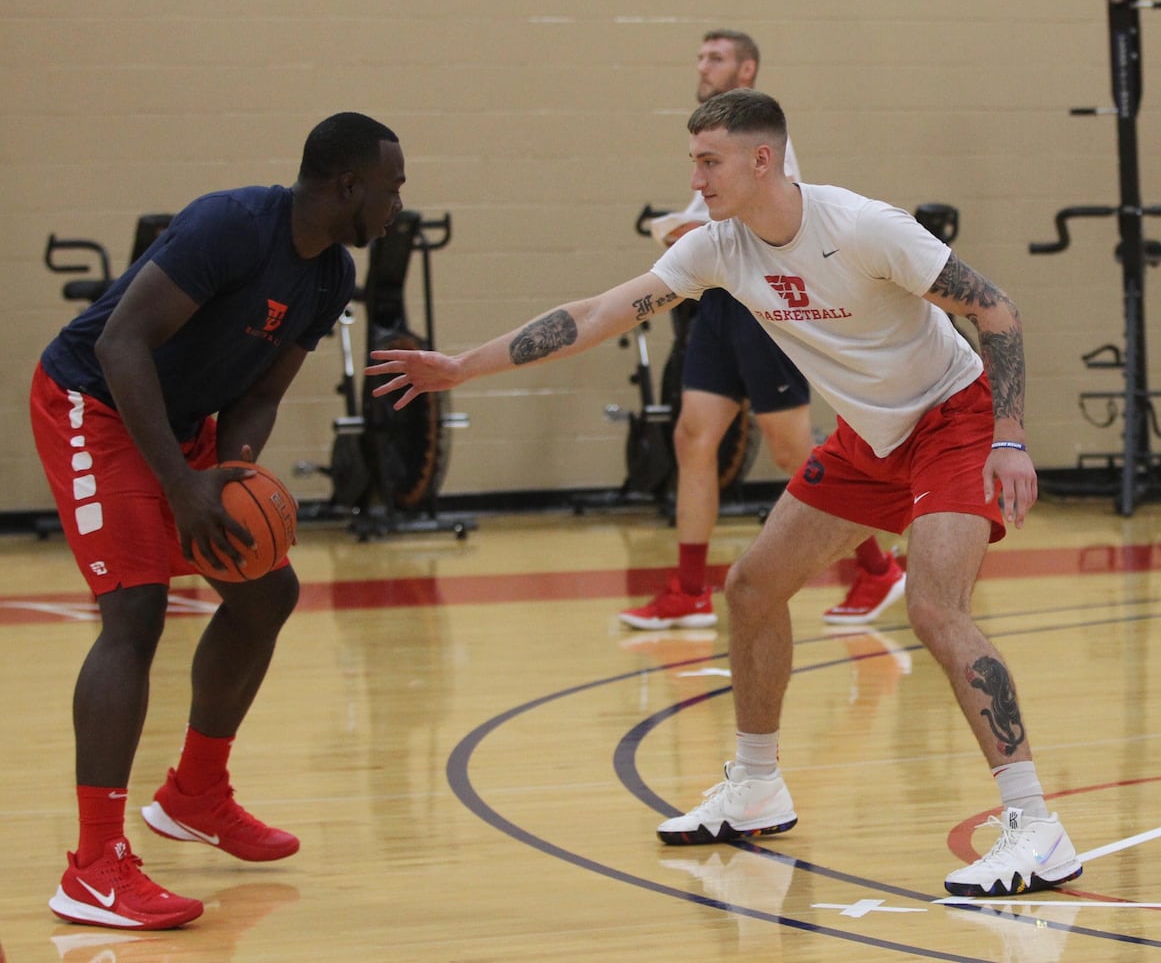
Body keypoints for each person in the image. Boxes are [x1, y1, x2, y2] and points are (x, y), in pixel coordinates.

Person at [365, 89, 1082, 897]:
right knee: (751, 589)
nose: (697, 179)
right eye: (694, 162)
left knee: (935, 609)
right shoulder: (718, 248)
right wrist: (465, 366)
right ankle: (755, 785)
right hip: (867, 437)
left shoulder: (862, 227)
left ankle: (1035, 828)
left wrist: (1010, 437)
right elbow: (599, 312)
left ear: (761, 160)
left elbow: (997, 309)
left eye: (709, 162)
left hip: (954, 416)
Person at [29, 112, 406, 930]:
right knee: (134, 613)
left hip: (187, 420)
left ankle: (195, 793)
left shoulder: (331, 274)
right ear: (349, 185)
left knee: (265, 593)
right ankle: (93, 867)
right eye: (392, 186)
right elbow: (122, 344)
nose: (398, 204)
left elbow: (262, 394)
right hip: (94, 404)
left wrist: (231, 474)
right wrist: (180, 484)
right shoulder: (229, 224)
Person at [620, 29, 904, 632]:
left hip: (762, 302)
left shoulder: (760, 142)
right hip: (718, 305)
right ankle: (690, 589)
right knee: (693, 437)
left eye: (715, 57)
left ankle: (878, 569)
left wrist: (669, 230)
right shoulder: (714, 142)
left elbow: (738, 226)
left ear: (746, 69)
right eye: (699, 55)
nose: (702, 65)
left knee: (789, 448)